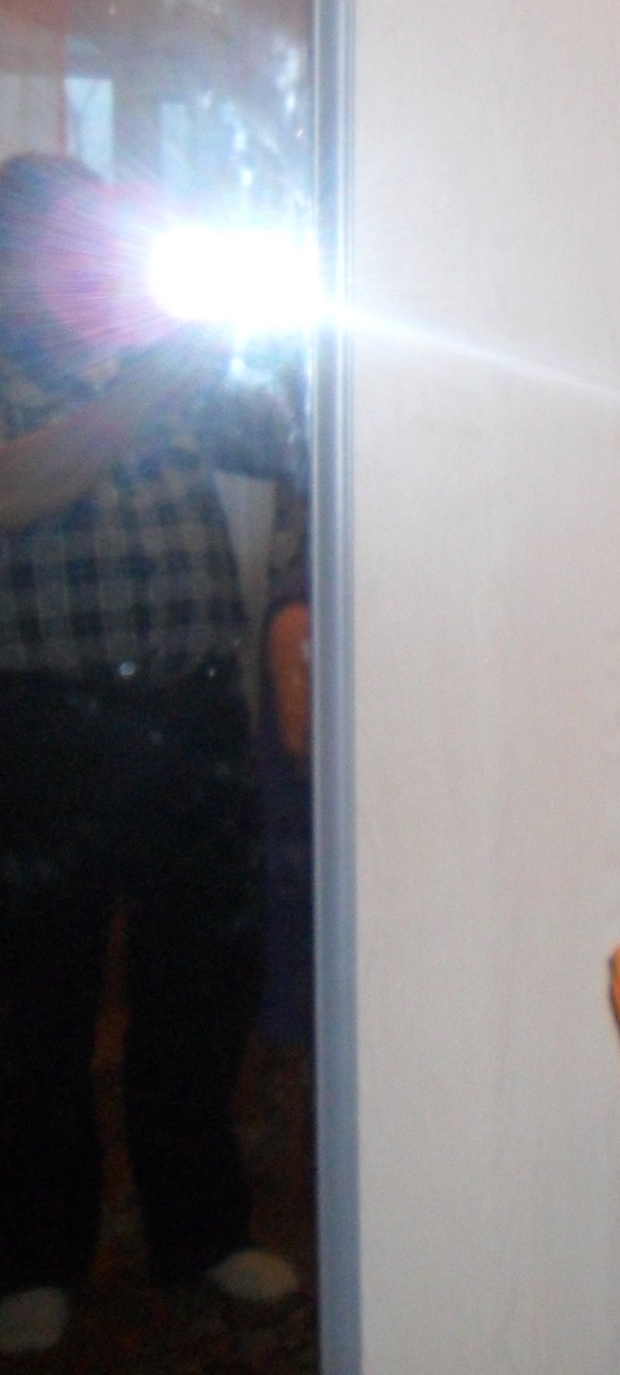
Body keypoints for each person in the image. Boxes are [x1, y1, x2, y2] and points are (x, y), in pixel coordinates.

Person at [0, 155, 303, 1357]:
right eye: (63, 245)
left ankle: (202, 1230)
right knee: (35, 1003)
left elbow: (287, 444)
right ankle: (33, 1255)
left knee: (201, 986)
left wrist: (228, 345)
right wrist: (142, 386)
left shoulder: (164, 354)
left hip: (190, 713)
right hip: (40, 723)